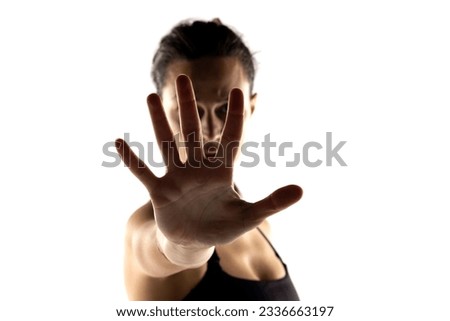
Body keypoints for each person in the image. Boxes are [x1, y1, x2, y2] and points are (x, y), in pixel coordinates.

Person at [115, 18, 303, 301]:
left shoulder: (261, 227)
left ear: (250, 108)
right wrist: (184, 245)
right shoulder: (145, 229)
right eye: (190, 110)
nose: (210, 130)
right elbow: (162, 250)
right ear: (160, 112)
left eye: (225, 108)